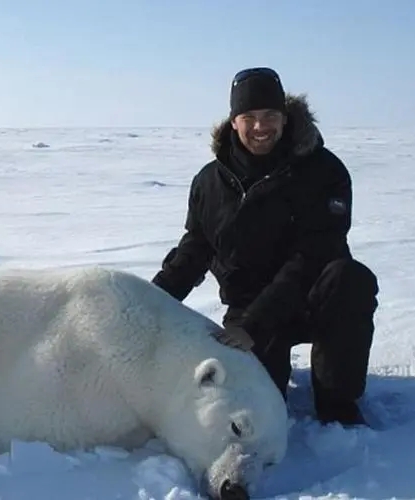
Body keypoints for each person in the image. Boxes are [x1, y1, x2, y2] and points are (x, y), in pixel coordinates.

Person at [151, 67, 379, 427]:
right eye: (250, 117)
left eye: (270, 116)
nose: (261, 127)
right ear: (233, 121)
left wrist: (253, 325)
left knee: (351, 279)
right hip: (249, 310)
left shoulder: (324, 171)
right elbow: (195, 248)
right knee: (260, 404)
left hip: (310, 300)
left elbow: (314, 255)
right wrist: (148, 303)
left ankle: (337, 402)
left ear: (285, 118)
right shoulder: (210, 181)